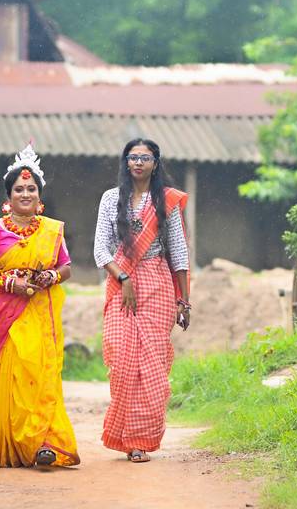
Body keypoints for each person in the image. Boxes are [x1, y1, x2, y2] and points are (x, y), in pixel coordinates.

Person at [0, 144, 79, 468]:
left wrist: (51, 277)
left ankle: (42, 443)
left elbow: (66, 266)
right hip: (2, 316)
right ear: (9, 195)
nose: (25, 193)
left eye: (31, 188)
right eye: (19, 189)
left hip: (39, 313)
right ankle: (7, 441)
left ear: (39, 196)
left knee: (39, 376)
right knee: (10, 376)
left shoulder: (52, 230)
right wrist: (9, 283)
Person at [94, 138, 191, 463]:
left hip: (158, 284)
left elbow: (178, 251)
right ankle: (123, 434)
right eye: (132, 157)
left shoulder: (166, 201)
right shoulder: (111, 198)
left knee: (152, 366)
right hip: (121, 282)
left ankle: (140, 440)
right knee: (122, 361)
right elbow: (100, 250)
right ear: (125, 162)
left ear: (155, 163)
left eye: (144, 158)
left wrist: (185, 301)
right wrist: (123, 278)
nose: (138, 162)